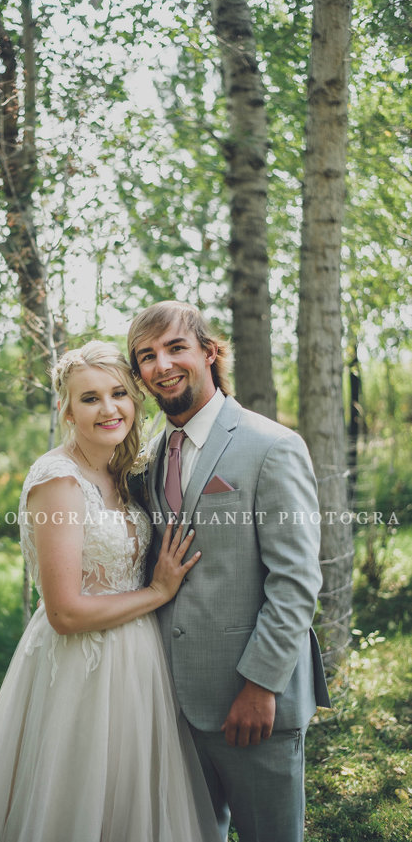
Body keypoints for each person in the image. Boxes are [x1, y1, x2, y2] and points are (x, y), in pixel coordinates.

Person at [0, 340, 222, 842]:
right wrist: (158, 592)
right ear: (66, 408)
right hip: (82, 663)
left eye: (119, 394)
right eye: (90, 398)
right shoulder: (58, 480)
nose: (109, 409)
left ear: (135, 400)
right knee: (77, 796)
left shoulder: (120, 473)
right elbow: (63, 612)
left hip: (139, 661)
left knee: (134, 797)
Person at [127, 301, 331, 842]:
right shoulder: (147, 458)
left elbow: (295, 580)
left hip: (252, 704)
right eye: (146, 356)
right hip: (171, 699)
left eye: (176, 348)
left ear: (209, 353)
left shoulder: (272, 446)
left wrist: (261, 684)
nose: (162, 365)